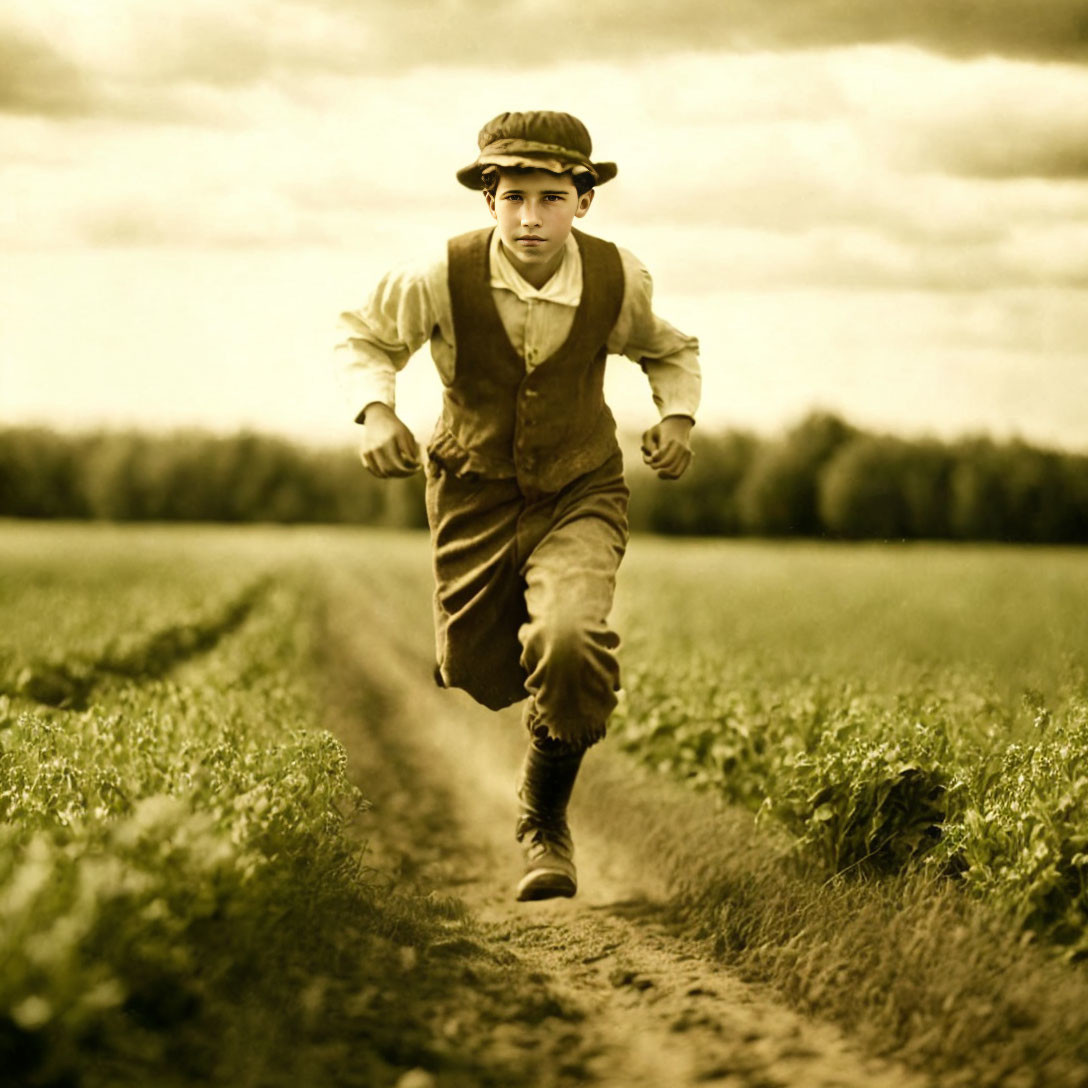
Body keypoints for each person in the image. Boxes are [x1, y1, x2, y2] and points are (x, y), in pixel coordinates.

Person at [335, 110, 701, 901]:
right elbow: (364, 337)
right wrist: (376, 411)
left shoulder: (616, 278)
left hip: (580, 486)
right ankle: (530, 740)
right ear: (488, 198)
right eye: (514, 197)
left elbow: (669, 348)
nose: (531, 216)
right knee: (476, 668)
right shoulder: (439, 273)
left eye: (551, 196)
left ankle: (544, 820)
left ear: (584, 200)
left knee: (570, 642)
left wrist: (675, 416)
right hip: (475, 490)